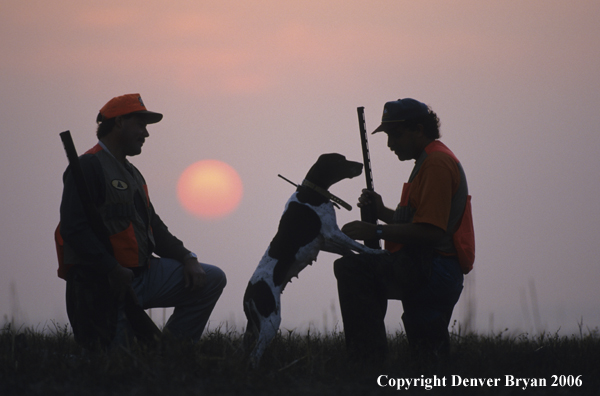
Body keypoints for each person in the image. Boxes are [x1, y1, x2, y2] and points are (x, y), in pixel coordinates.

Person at [55, 93, 227, 350]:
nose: (146, 134)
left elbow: (154, 227)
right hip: (103, 283)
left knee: (212, 278)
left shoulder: (132, 172)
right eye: (141, 125)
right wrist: (111, 269)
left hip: (143, 275)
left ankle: (173, 353)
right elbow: (73, 229)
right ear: (120, 122)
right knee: (112, 362)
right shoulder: (88, 166)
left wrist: (187, 257)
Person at [334, 98, 474, 364]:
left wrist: (375, 231)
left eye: (395, 135)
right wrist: (383, 212)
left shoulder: (436, 165)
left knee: (353, 269)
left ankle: (367, 363)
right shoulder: (428, 161)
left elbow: (431, 232)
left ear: (418, 130)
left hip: (432, 270)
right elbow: (421, 221)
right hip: (432, 267)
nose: (390, 144)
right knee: (428, 361)